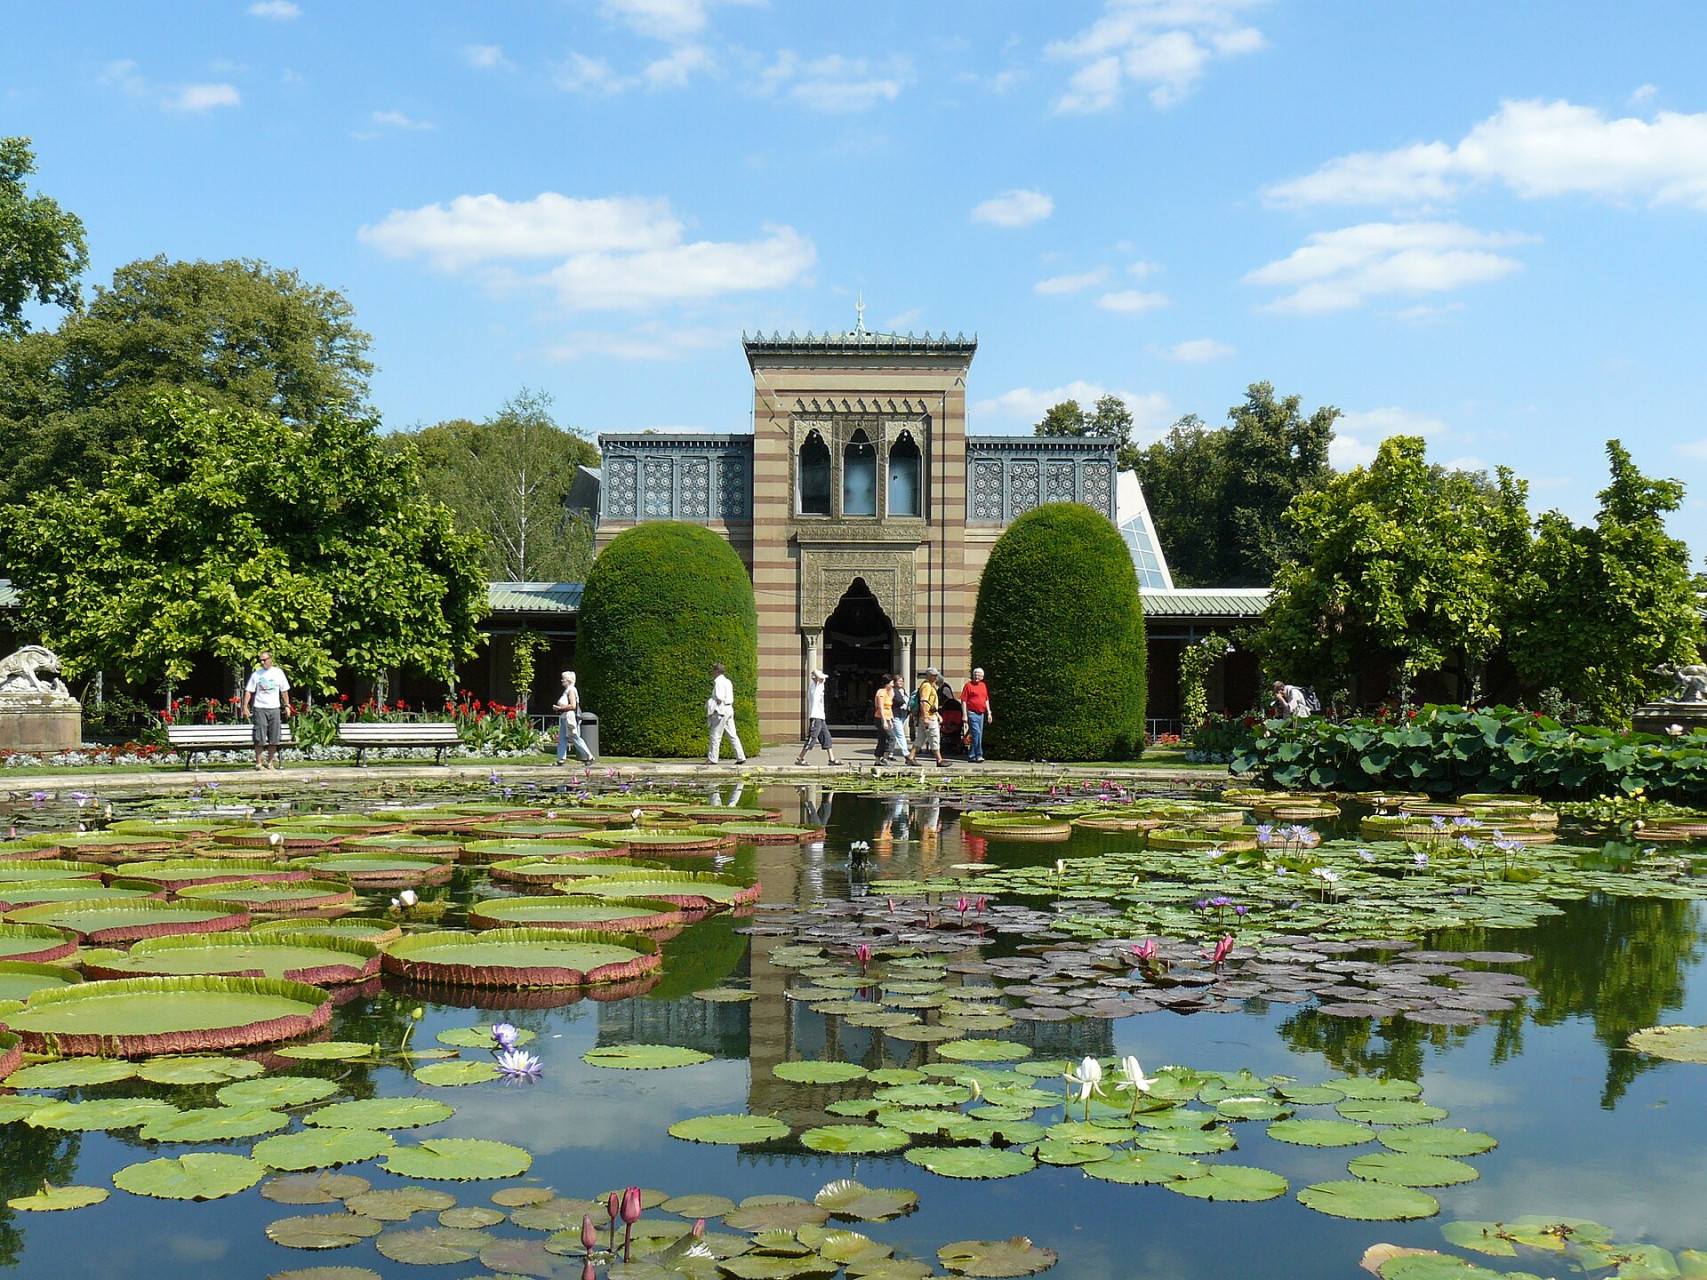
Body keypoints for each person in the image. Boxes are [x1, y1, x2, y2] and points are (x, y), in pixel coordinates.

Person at [242, 650, 292, 771]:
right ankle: (259, 764)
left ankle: (270, 763)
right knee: (259, 735)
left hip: (274, 708)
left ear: (271, 660)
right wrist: (245, 706)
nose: (263, 662)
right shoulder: (257, 674)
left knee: (274, 736)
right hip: (260, 707)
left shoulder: (278, 673)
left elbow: (284, 691)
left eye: (265, 660)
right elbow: (249, 691)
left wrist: (287, 706)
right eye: (261, 660)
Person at [795, 669, 842, 766]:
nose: (823, 680)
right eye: (821, 679)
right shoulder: (814, 688)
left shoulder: (820, 687)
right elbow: (815, 674)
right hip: (815, 717)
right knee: (812, 738)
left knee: (826, 737)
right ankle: (800, 758)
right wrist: (816, 673)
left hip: (821, 717)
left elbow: (821, 679)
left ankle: (831, 759)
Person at [905, 667, 947, 768]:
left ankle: (911, 758)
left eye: (936, 674)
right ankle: (939, 760)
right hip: (928, 717)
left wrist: (937, 714)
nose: (935, 676)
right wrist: (926, 717)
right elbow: (923, 702)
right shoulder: (927, 686)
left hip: (929, 716)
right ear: (928, 675)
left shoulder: (931, 686)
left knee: (920, 738)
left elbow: (931, 704)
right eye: (933, 675)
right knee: (934, 737)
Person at [707, 662, 746, 764]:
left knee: (715, 735)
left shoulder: (718, 682)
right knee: (732, 734)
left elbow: (719, 697)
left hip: (721, 709)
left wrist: (712, 703)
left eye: (713, 671)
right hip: (729, 708)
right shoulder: (728, 681)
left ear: (716, 671)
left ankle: (712, 759)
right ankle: (740, 757)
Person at [553, 671, 594, 766]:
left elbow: (573, 705)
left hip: (569, 717)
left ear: (569, 681)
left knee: (574, 737)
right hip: (564, 717)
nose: (562, 680)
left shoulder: (571, 690)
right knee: (562, 738)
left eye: (564, 679)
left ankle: (589, 756)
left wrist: (560, 708)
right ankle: (561, 759)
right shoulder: (567, 690)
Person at [960, 667, 993, 762]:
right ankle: (979, 755)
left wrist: (989, 712)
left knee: (978, 735)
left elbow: (986, 699)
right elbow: (964, 700)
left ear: (982, 677)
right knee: (976, 733)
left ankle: (971, 755)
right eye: (975, 675)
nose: (976, 677)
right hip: (972, 713)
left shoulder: (983, 685)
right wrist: (964, 715)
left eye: (978, 675)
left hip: (981, 713)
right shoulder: (968, 685)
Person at [887, 674, 911, 762]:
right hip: (895, 715)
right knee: (901, 734)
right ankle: (906, 753)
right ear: (895, 682)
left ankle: (890, 753)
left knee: (896, 735)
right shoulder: (892, 691)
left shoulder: (903, 691)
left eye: (902, 681)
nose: (901, 683)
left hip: (903, 715)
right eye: (899, 681)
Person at [872, 675, 894, 764]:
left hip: (887, 718)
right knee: (891, 737)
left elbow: (889, 708)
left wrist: (890, 720)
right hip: (880, 718)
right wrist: (884, 721)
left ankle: (877, 760)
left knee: (882, 739)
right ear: (887, 683)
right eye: (891, 683)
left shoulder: (888, 693)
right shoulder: (881, 692)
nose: (893, 685)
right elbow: (881, 708)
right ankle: (885, 757)